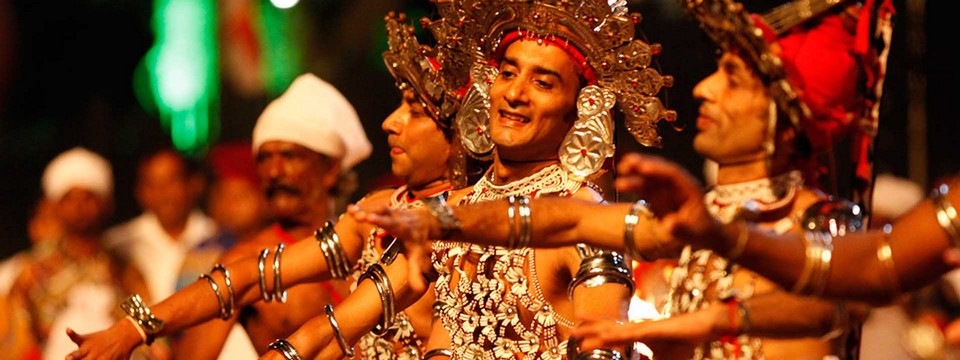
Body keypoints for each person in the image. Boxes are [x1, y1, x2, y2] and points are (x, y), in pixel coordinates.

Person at [362, 0, 894, 358]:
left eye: (731, 79)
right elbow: (554, 217)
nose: (705, 89)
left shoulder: (819, 222)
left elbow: (834, 305)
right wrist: (435, 216)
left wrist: (687, 323)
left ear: (785, 118)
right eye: (507, 72)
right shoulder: (693, 219)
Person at [7, 147, 153, 359]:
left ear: (106, 204)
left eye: (88, 197)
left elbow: (148, 330)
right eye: (69, 199)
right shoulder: (33, 271)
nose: (79, 207)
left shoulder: (124, 271)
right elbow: (14, 338)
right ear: (56, 206)